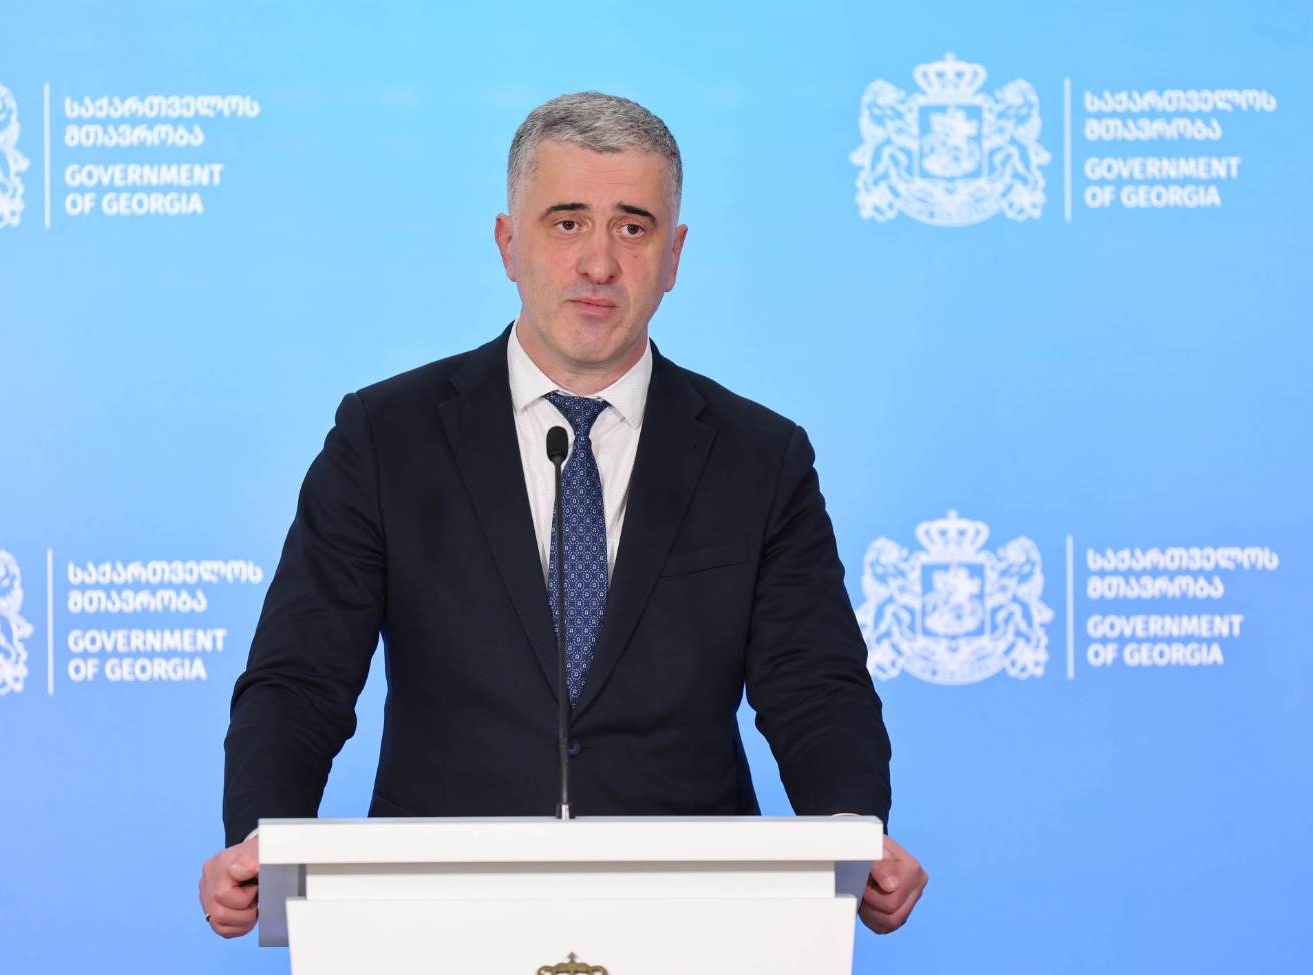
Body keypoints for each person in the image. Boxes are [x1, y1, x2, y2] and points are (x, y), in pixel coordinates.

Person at [199, 92, 927, 939]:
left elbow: (815, 687)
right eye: (567, 222)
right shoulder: (385, 437)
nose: (599, 263)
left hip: (694, 917)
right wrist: (259, 835)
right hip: (436, 915)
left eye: (632, 227)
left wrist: (853, 830)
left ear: (674, 255)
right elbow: (301, 677)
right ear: (509, 243)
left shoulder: (761, 457)